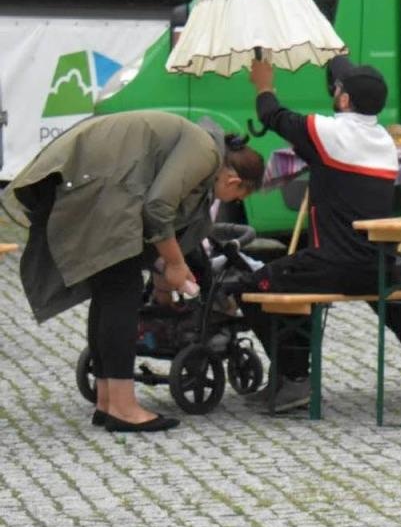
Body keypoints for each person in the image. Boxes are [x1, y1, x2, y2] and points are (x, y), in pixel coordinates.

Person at [4, 110, 262, 432]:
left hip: (86, 179)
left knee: (109, 292)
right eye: (239, 195)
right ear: (234, 181)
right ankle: (123, 408)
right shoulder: (206, 151)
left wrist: (162, 266)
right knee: (121, 293)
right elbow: (157, 206)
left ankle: (107, 400)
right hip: (97, 186)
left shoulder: (198, 142)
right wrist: (175, 262)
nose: (231, 200)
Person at [241, 56, 401, 413]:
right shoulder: (382, 142)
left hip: (337, 262)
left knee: (253, 287)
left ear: (344, 99)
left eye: (338, 89)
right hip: (377, 259)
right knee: (366, 288)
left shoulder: (329, 132)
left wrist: (263, 82)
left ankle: (295, 378)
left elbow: (272, 115)